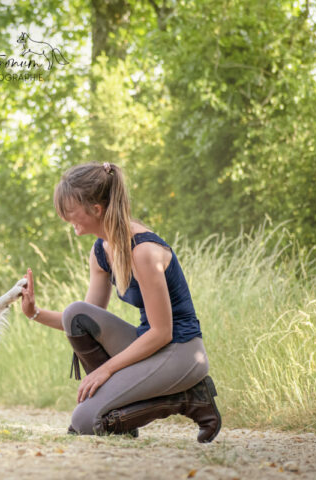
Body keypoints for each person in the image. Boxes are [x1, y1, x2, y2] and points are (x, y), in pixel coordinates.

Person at [20, 162, 221, 442]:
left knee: (85, 421)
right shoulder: (101, 251)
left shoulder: (143, 252)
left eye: (69, 209)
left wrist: (106, 370)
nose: (65, 217)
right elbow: (85, 319)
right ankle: (118, 408)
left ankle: (190, 398)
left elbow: (162, 332)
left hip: (181, 351)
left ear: (96, 209)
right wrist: (35, 312)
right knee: (75, 313)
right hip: (149, 344)